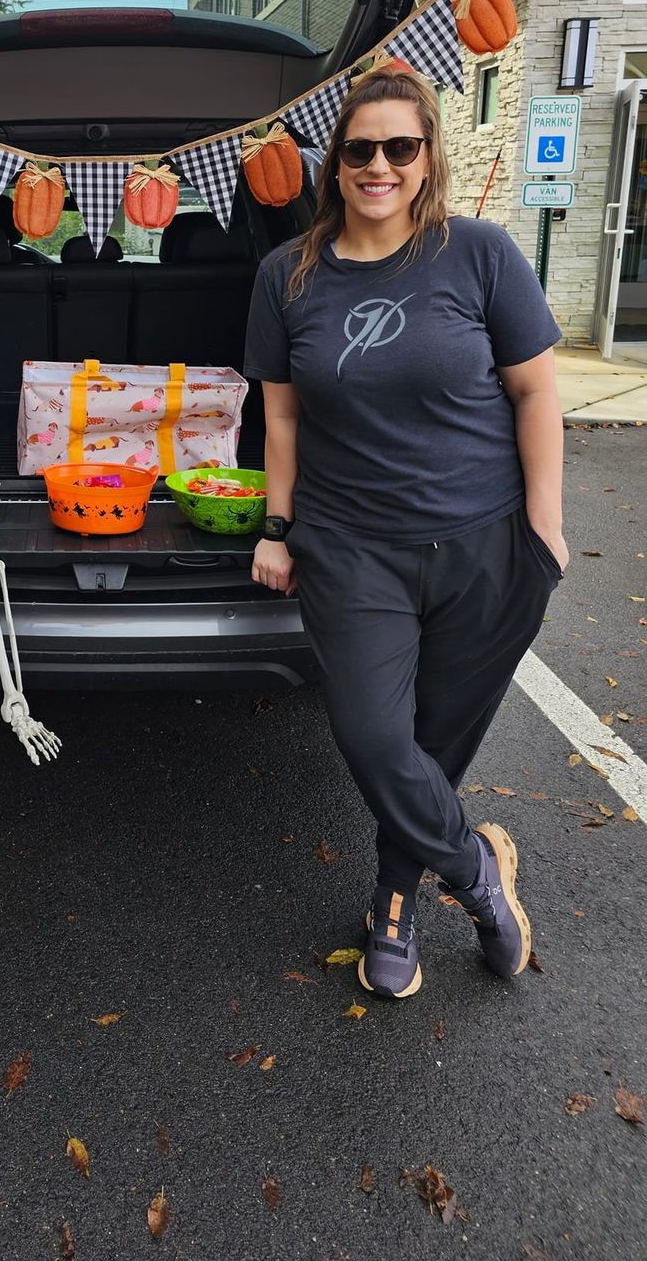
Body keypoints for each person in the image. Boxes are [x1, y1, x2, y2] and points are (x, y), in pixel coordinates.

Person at [244, 68, 565, 1001]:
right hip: (352, 549)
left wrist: (543, 530)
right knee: (376, 737)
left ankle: (394, 896)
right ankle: (478, 877)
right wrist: (278, 526)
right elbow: (285, 422)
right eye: (360, 150)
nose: (379, 165)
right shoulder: (288, 275)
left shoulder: (480, 255)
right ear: (334, 164)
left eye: (400, 148)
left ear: (427, 158)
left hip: (487, 543)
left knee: (436, 743)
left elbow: (537, 391)